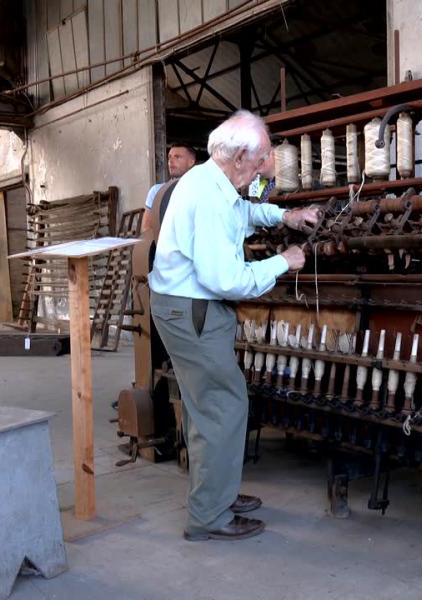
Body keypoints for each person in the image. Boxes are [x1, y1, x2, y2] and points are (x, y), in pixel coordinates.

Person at [149, 110, 318, 541]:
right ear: (240, 156)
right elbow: (226, 280)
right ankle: (209, 516)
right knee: (224, 405)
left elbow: (241, 212)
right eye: (262, 159)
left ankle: (215, 492)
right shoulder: (208, 197)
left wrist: (284, 217)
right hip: (194, 309)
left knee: (206, 405)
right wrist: (284, 261)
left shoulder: (213, 180)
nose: (265, 168)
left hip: (185, 307)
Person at [141, 144, 197, 232]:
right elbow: (146, 229)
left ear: (191, 162)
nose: (171, 161)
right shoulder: (156, 191)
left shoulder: (201, 190)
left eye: (177, 157)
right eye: (169, 157)